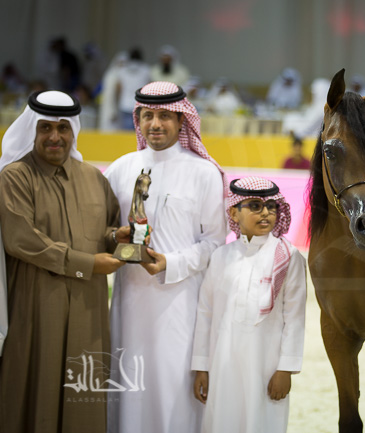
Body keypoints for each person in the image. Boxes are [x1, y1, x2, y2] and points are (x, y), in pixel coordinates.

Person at [0, 90, 128, 433]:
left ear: (74, 131)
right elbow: (21, 239)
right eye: (45, 128)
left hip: (88, 310)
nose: (54, 136)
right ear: (32, 130)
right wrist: (88, 264)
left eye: (62, 128)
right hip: (37, 304)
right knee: (34, 389)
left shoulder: (94, 178)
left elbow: (106, 230)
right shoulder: (15, 176)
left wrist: (118, 237)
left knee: (82, 396)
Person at [104, 81, 228, 433]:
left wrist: (170, 264)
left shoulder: (203, 172)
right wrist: (115, 238)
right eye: (147, 116)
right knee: (129, 386)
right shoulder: (120, 169)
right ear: (138, 120)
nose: (155, 124)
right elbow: (102, 231)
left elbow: (214, 243)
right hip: (128, 300)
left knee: (173, 390)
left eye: (164, 116)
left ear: (181, 120)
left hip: (181, 303)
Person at [192, 176, 307, 433]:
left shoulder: (288, 257)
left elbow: (295, 318)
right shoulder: (221, 256)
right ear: (234, 212)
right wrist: (201, 367)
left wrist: (286, 369)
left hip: (266, 366)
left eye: (271, 207)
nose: (265, 213)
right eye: (255, 206)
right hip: (222, 363)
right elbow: (205, 314)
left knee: (262, 421)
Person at [115, 48, 150, 130]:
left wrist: (117, 102)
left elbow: (118, 89)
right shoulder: (146, 70)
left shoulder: (122, 70)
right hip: (140, 104)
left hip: (125, 104)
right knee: (140, 130)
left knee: (126, 132)